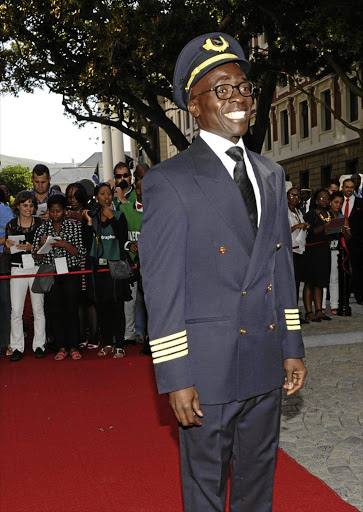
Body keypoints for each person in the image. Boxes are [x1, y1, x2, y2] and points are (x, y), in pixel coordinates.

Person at [139, 33, 307, 512]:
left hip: (263, 356)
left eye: (243, 88)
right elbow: (162, 286)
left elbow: (280, 268)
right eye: (222, 89)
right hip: (207, 369)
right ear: (195, 107)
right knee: (207, 493)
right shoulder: (170, 180)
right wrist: (175, 376)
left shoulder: (271, 173)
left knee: (258, 488)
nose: (238, 99)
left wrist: (291, 346)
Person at [32, 194, 86, 360]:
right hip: (50, 272)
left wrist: (64, 244)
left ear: (64, 211)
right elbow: (36, 257)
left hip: (70, 271)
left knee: (71, 309)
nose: (55, 214)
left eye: (58, 211)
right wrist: (42, 246)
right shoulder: (42, 229)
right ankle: (61, 346)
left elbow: (80, 252)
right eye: (53, 211)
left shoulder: (73, 227)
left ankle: (74, 346)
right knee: (55, 310)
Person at [83, 183, 131, 358]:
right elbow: (87, 244)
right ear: (96, 197)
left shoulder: (119, 215)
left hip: (116, 267)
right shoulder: (92, 218)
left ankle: (119, 343)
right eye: (102, 194)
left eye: (109, 194)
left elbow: (123, 237)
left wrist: (111, 217)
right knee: (102, 307)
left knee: (117, 307)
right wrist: (88, 222)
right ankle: (108, 343)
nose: (106, 197)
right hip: (98, 268)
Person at [3, 191, 46, 361]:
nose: (28, 208)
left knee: (38, 308)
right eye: (25, 205)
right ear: (18, 206)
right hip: (17, 268)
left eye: (31, 205)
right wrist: (6, 247)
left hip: (36, 267)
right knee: (16, 310)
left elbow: (45, 251)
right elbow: (7, 251)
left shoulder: (41, 224)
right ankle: (16, 347)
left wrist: (32, 249)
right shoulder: (12, 225)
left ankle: (39, 345)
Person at [65, 183, 99, 349]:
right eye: (70, 196)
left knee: (90, 299)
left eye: (76, 196)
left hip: (87, 259)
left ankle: (93, 337)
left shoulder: (89, 211)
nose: (73, 200)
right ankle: (80, 337)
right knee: (77, 300)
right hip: (72, 262)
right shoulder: (64, 214)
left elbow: (92, 233)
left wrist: (81, 218)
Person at [120, 169, 149, 348]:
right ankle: (132, 333)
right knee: (130, 300)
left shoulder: (159, 211)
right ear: (137, 190)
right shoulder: (124, 209)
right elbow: (119, 237)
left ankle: (150, 334)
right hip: (130, 263)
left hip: (151, 265)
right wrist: (128, 244)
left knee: (148, 300)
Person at [303, 189, 333, 322]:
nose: (325, 201)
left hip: (324, 250)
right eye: (322, 198)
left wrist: (338, 230)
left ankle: (319, 311)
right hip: (312, 251)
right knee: (310, 281)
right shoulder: (311, 214)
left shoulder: (330, 214)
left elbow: (331, 234)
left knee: (320, 281)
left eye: (327, 198)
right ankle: (309, 312)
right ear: (316, 201)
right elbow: (309, 232)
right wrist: (323, 228)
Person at [322, 191, 350, 315]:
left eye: (340, 203)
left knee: (334, 278)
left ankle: (334, 304)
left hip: (336, 249)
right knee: (323, 278)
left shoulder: (343, 217)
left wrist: (346, 232)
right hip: (323, 248)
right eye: (336, 202)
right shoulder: (324, 215)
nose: (338, 205)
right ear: (330, 203)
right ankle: (321, 305)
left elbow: (349, 237)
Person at [287, 187, 310, 324]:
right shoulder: (283, 211)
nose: (295, 198)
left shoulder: (298, 211)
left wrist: (304, 226)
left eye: (298, 196)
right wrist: (296, 226)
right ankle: (291, 316)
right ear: (287, 197)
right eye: (292, 195)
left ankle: (295, 312)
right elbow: (281, 230)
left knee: (297, 283)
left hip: (299, 250)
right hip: (289, 251)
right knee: (291, 284)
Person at [341, 178, 363, 304]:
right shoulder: (337, 202)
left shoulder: (361, 202)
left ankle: (359, 295)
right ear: (342, 188)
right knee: (339, 268)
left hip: (357, 241)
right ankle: (342, 295)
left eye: (351, 187)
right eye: (347, 187)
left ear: (354, 188)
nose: (349, 189)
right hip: (340, 240)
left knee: (357, 268)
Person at [0, 187, 14, 356]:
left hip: (2, 258)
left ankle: (5, 342)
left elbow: (11, 231)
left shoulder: (4, 209)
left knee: (4, 300)